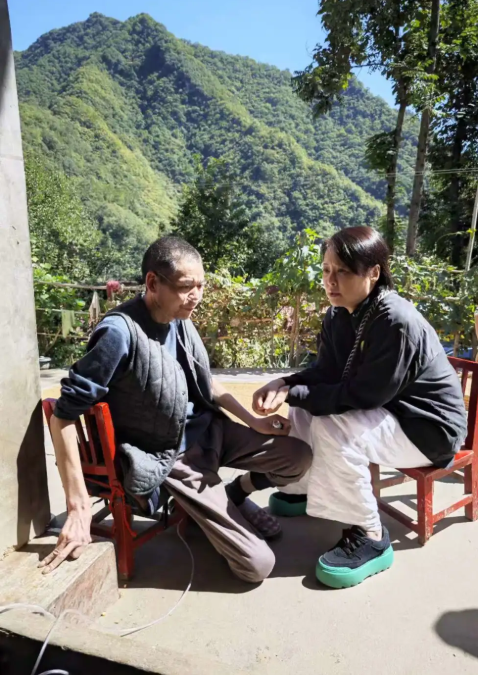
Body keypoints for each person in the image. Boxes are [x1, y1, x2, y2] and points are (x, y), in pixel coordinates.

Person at [42, 237, 312, 583]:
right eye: (186, 287)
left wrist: (253, 421)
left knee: (298, 456)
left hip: (209, 432)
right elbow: (63, 414)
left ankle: (234, 493)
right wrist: (78, 508)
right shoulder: (118, 333)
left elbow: (205, 381)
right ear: (153, 283)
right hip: (170, 455)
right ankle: (203, 510)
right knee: (256, 565)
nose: (196, 296)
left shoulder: (180, 317)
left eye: (201, 285)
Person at [253, 226, 467, 589]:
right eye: (326, 270)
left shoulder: (396, 321)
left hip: (428, 430)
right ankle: (302, 486)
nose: (330, 280)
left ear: (373, 272)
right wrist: (285, 384)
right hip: (391, 413)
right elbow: (325, 373)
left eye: (343, 271)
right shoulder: (339, 314)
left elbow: (364, 396)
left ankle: (370, 534)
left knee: (332, 426)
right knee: (304, 409)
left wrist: (294, 393)